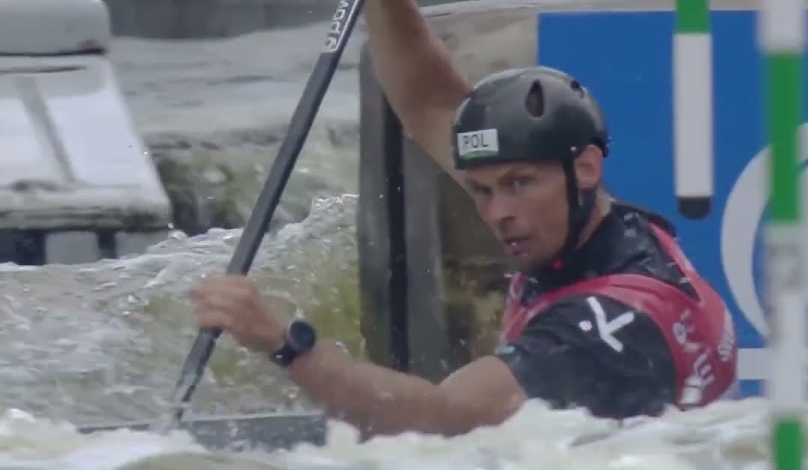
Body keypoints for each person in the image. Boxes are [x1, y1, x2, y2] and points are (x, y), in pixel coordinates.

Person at [190, 0, 738, 440]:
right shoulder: (593, 223)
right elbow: (427, 101)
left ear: (588, 167)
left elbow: (442, 420)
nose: (498, 213)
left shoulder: (598, 335)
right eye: (481, 189)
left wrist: (287, 345)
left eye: (519, 183)